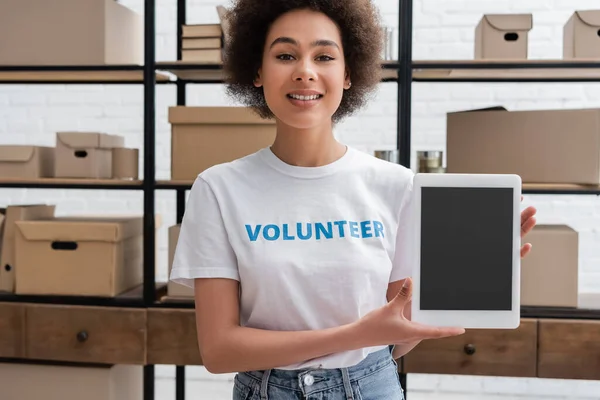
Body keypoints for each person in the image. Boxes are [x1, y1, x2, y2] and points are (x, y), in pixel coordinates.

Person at [169, 0, 538, 399]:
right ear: (257, 71)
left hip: (371, 386)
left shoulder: (397, 185)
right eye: (285, 55)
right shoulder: (219, 188)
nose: (305, 71)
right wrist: (357, 334)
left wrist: (469, 274)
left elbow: (398, 332)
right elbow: (220, 351)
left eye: (324, 56)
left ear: (348, 74)